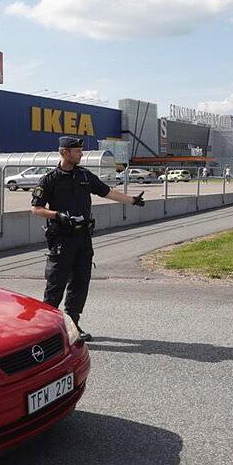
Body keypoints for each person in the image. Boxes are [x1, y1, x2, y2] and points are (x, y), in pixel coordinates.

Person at [31, 136, 146, 341]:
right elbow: (36, 209)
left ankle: (73, 325)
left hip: (83, 238)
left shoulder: (84, 176)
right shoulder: (50, 179)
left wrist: (132, 200)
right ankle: (47, 331)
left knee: (80, 283)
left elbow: (107, 192)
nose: (81, 154)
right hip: (62, 240)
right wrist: (57, 215)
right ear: (64, 152)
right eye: (77, 151)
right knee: (56, 284)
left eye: (80, 151)